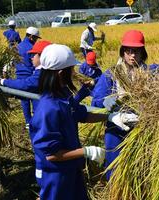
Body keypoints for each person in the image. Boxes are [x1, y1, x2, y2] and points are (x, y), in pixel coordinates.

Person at [30, 44, 138, 200]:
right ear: (61, 73)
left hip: (71, 167)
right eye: (71, 70)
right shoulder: (48, 108)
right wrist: (87, 151)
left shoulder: (63, 95)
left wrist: (110, 116)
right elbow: (52, 154)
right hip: (54, 174)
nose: (74, 73)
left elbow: (82, 114)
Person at [91, 30, 148, 180]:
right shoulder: (112, 74)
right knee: (115, 170)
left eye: (136, 51)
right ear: (123, 52)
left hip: (143, 128)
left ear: (142, 52)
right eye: (128, 51)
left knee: (140, 168)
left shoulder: (149, 73)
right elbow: (96, 101)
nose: (132, 55)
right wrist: (105, 101)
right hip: (117, 127)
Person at [0, 41, 52, 113]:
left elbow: (26, 85)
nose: (31, 58)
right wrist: (11, 93)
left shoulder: (45, 73)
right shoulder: (49, 71)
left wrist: (1, 81)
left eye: (33, 55)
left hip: (45, 113)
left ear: (43, 56)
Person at [15, 26, 41, 129]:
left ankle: (28, 122)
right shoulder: (31, 48)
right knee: (35, 98)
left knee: (24, 100)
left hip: (19, 76)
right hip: (30, 76)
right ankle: (36, 121)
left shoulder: (17, 46)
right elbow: (34, 63)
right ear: (30, 37)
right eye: (35, 38)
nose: (36, 40)